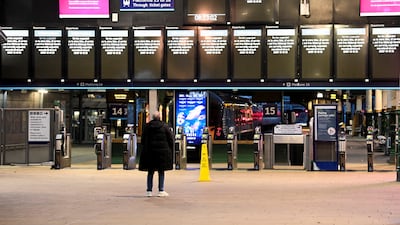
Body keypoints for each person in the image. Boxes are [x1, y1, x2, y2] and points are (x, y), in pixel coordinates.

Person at [139, 111, 174, 197]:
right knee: (161, 171)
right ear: (160, 117)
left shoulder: (147, 127)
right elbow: (170, 139)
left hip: (150, 153)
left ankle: (149, 191)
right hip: (162, 153)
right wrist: (169, 149)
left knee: (150, 172)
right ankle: (161, 190)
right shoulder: (165, 126)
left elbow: (143, 140)